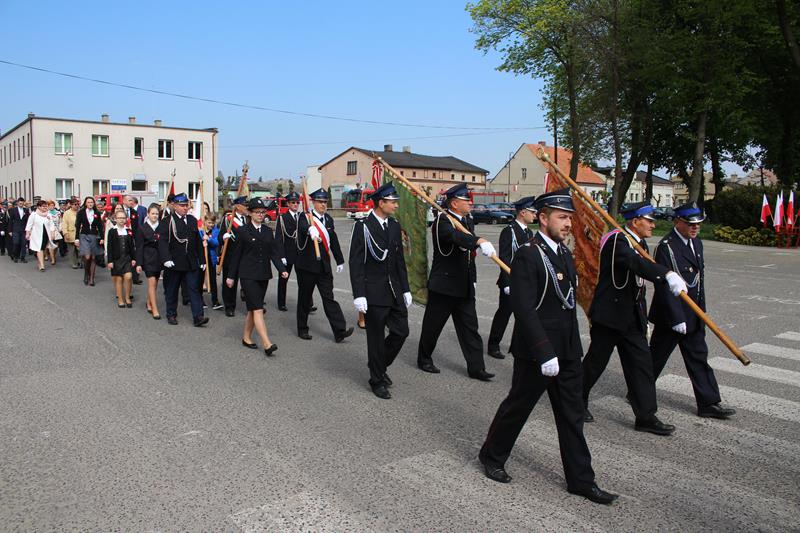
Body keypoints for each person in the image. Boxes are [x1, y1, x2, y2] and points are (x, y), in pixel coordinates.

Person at [478, 189, 618, 505]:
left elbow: (566, 305)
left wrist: (570, 349)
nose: (568, 224)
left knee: (572, 416)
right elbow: (524, 308)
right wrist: (544, 351)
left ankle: (581, 480)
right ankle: (492, 456)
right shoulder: (528, 254)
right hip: (536, 352)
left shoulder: (564, 253)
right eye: (562, 217)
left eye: (570, 218)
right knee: (518, 407)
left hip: (567, 351)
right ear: (543, 218)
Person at [581, 202, 687, 436]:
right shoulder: (617, 241)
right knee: (595, 363)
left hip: (631, 317)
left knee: (641, 366)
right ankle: (576, 401)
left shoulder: (639, 242)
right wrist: (666, 274)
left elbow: (638, 283)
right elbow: (634, 263)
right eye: (649, 221)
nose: (653, 225)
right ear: (635, 221)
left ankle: (646, 416)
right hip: (610, 315)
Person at [649, 202, 736, 419]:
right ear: (678, 222)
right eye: (690, 224)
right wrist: (677, 318)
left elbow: (698, 280)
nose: (695, 227)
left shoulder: (696, 243)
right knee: (655, 358)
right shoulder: (667, 247)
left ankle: (708, 403)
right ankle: (637, 391)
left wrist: (701, 311)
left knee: (698, 357)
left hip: (694, 312)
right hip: (672, 315)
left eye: (698, 223)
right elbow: (664, 287)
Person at [417, 183, 496, 381]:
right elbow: (454, 237)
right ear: (454, 203)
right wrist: (478, 241)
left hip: (464, 285)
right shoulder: (442, 221)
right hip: (444, 285)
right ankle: (424, 358)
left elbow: (469, 256)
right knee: (433, 326)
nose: (470, 203)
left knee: (470, 328)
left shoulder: (467, 220)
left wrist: (473, 279)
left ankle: (476, 368)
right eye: (465, 200)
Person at [349, 184, 412, 399]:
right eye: (392, 202)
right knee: (375, 339)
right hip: (373, 291)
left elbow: (399, 260)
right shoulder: (363, 227)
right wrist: (359, 293)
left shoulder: (394, 225)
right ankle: (377, 379)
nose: (396, 205)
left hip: (394, 290)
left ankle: (378, 364)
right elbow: (356, 263)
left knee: (401, 332)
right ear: (381, 203)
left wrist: (405, 289)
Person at [226, 198, 288, 356]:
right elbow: (236, 256)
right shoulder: (243, 231)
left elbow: (273, 253)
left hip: (263, 274)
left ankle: (246, 337)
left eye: (263, 212)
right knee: (258, 309)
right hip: (248, 275)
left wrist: (282, 269)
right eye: (257, 212)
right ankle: (267, 343)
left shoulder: (267, 231)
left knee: (253, 309)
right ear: (250, 213)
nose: (260, 215)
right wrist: (231, 276)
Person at [295, 188, 353, 342]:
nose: (323, 205)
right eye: (320, 202)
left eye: (325, 202)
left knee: (329, 299)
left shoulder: (328, 219)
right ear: (313, 202)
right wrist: (309, 229)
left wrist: (339, 260)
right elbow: (301, 227)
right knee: (304, 299)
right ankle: (302, 329)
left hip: (324, 267)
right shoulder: (305, 217)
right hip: (307, 267)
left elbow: (333, 240)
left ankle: (339, 331)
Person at [487, 196, 536, 359]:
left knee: (524, 315)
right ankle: (493, 345)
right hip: (511, 281)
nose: (534, 215)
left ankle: (518, 346)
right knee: (504, 314)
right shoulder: (509, 231)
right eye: (532, 212)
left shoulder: (529, 232)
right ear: (522, 212)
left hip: (524, 282)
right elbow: (504, 258)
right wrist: (507, 282)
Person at [157, 192, 208, 327]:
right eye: (182, 205)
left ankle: (198, 316)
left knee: (194, 289)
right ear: (174, 206)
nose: (185, 208)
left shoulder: (191, 220)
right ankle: (171, 314)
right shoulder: (167, 221)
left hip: (190, 262)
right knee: (172, 289)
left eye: (186, 205)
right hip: (174, 262)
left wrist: (202, 259)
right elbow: (162, 242)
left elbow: (197, 241)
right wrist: (166, 259)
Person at [275, 192, 315, 313]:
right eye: (293, 202)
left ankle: (308, 304)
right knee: (283, 279)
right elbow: (279, 238)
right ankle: (281, 303)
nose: (296, 204)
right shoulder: (282, 218)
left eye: (297, 202)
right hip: (288, 254)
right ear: (288, 204)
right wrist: (281, 255)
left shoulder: (303, 217)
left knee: (304, 281)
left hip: (301, 253)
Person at [219, 196, 249, 317]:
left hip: (245, 255)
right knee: (230, 282)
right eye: (244, 205)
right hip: (231, 255)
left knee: (248, 282)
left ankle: (252, 306)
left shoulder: (247, 219)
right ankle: (229, 306)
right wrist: (224, 237)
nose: (246, 207)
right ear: (237, 206)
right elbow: (220, 236)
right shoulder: (228, 219)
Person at [136, 204, 163, 320]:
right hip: (148, 258)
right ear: (148, 214)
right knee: (151, 282)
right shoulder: (142, 228)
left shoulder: (161, 227)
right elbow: (139, 247)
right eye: (153, 213)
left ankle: (149, 302)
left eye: (156, 214)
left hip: (159, 258)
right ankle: (155, 309)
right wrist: (138, 263)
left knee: (155, 282)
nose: (155, 216)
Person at [106, 210, 137, 308]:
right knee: (119, 279)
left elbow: (132, 246)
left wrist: (134, 258)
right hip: (116, 259)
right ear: (115, 219)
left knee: (128, 276)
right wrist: (110, 261)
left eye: (123, 218)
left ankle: (127, 297)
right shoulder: (112, 231)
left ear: (126, 219)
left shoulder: (128, 231)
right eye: (119, 218)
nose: (121, 220)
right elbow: (110, 247)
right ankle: (120, 299)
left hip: (127, 258)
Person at [75, 197, 105, 285]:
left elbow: (100, 226)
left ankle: (92, 278)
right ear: (85, 203)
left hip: (94, 236)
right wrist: (76, 238)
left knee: (93, 257)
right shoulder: (81, 212)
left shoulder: (96, 213)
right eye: (88, 202)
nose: (90, 204)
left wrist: (102, 238)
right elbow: (77, 226)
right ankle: (86, 274)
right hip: (84, 235)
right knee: (87, 257)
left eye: (91, 202)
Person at [25, 200, 56, 271]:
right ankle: (42, 265)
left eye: (46, 206)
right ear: (39, 207)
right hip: (37, 235)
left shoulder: (48, 215)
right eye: (43, 206)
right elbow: (29, 224)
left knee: (43, 248)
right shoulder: (34, 215)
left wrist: (52, 233)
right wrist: (27, 233)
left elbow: (51, 224)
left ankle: (40, 262)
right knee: (39, 248)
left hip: (46, 234)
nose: (45, 208)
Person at [199, 213, 222, 310]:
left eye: (212, 223)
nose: (211, 225)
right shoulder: (200, 231)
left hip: (211, 258)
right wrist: (202, 241)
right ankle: (200, 300)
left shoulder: (216, 231)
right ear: (205, 222)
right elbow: (196, 243)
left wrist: (209, 239)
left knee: (213, 280)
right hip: (201, 258)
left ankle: (215, 301)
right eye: (209, 222)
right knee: (200, 280)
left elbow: (217, 243)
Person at [123, 195, 142, 285]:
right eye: (129, 200)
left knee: (134, 255)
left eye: (132, 200)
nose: (131, 202)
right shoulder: (120, 211)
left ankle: (135, 277)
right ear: (124, 201)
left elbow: (137, 226)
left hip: (132, 237)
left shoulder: (134, 212)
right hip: (122, 236)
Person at [9, 197, 29, 263]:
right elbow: (11, 221)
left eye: (22, 202)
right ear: (17, 203)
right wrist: (10, 230)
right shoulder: (13, 210)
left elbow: (28, 221)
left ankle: (23, 257)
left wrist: (28, 230)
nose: (21, 204)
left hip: (24, 230)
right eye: (20, 202)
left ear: (23, 203)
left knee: (24, 244)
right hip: (15, 229)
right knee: (16, 243)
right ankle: (15, 256)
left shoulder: (26, 210)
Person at [61, 199, 81, 269]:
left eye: (78, 204)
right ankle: (74, 263)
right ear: (71, 205)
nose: (77, 206)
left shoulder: (81, 212)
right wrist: (65, 233)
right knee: (72, 250)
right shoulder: (67, 213)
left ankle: (80, 261)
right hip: (70, 233)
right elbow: (64, 224)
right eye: (75, 204)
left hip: (80, 233)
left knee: (80, 249)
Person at [45, 200, 62, 266]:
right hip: (49, 230)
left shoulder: (58, 213)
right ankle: (52, 259)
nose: (51, 206)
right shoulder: (46, 213)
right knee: (50, 244)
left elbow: (60, 221)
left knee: (56, 244)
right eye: (50, 205)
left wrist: (60, 228)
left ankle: (53, 255)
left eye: (53, 205)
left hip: (57, 230)